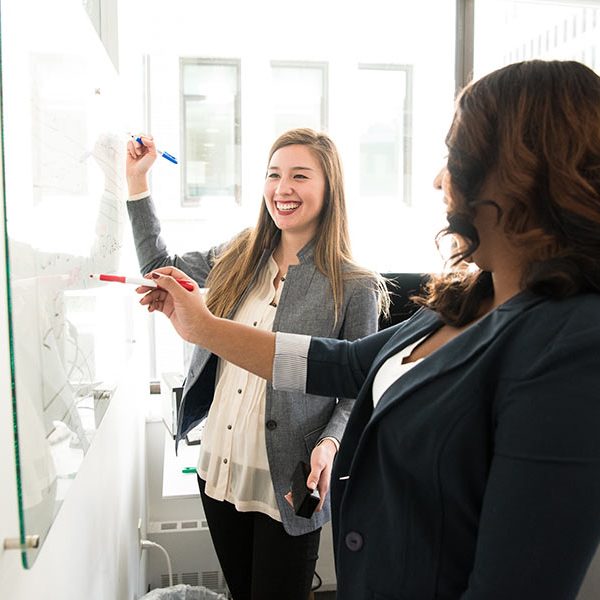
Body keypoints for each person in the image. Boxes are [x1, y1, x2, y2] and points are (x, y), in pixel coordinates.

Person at [136, 60, 600, 600]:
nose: (438, 179)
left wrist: (327, 442)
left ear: (522, 173)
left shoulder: (574, 347)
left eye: (455, 157)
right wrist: (204, 328)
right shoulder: (464, 300)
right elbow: (347, 363)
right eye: (274, 174)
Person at [125, 128, 387, 600]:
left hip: (289, 479)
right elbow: (159, 267)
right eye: (273, 174)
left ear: (329, 187)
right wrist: (137, 182)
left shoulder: (354, 285)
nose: (282, 188)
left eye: (299, 176)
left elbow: (358, 388)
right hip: (219, 467)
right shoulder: (239, 254)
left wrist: (330, 442)